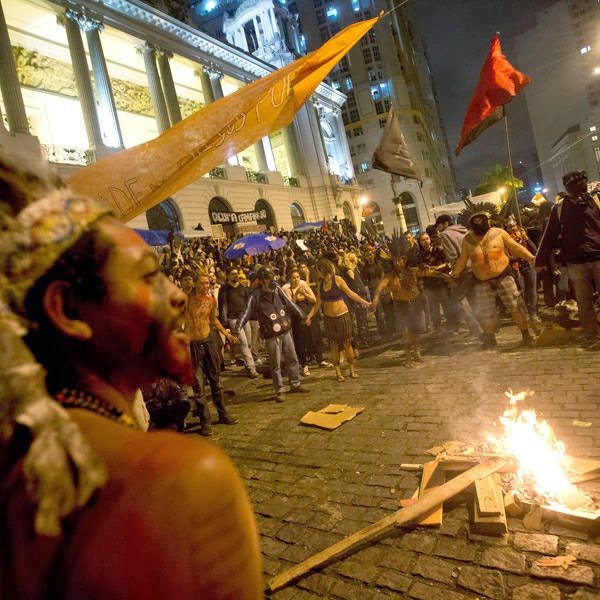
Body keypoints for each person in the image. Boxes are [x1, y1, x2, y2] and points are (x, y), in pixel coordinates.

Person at [0, 156, 263, 598]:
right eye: (149, 276)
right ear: (66, 311)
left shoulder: (16, 468)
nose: (178, 294)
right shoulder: (184, 481)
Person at [451, 212, 536, 349]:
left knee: (515, 307)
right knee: (486, 312)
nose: (478, 223)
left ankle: (526, 336)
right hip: (481, 280)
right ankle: (490, 340)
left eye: (481, 220)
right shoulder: (468, 240)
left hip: (503, 276)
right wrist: (455, 274)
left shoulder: (499, 233)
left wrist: (532, 258)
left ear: (487, 221)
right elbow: (462, 260)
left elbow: (515, 247)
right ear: (472, 224)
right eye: (475, 221)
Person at [536, 170, 600, 350]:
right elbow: (549, 235)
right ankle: (591, 334)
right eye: (574, 187)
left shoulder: (595, 201)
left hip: (598, 256)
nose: (579, 190)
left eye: (581, 186)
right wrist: (540, 260)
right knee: (584, 300)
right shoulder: (559, 208)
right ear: (568, 188)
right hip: (575, 262)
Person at [236, 266, 307, 402]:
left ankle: (295, 384)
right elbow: (246, 312)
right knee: (276, 364)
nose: (272, 280)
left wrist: (301, 315)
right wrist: (237, 328)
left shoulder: (277, 289)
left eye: (272, 277)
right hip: (271, 334)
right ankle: (279, 390)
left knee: (292, 358)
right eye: (268, 278)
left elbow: (289, 303)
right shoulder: (255, 295)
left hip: (285, 330)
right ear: (262, 280)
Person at [181, 270, 239, 436]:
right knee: (198, 385)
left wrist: (227, 334)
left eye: (207, 283)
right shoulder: (186, 299)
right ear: (196, 284)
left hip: (209, 341)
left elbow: (213, 320)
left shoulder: (211, 300)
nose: (205, 286)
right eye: (202, 283)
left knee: (215, 380)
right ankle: (205, 421)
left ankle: (223, 415)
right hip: (193, 344)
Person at [305, 258, 371, 382]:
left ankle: (352, 369)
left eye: (318, 270)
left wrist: (364, 302)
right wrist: (309, 316)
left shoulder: (338, 280)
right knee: (333, 345)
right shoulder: (320, 285)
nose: (317, 273)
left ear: (323, 269)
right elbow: (317, 304)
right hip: (329, 319)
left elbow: (351, 293)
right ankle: (338, 372)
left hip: (342, 316)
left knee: (347, 343)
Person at [218, 266, 259, 378]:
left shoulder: (243, 287)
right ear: (228, 276)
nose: (235, 276)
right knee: (244, 344)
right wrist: (225, 323)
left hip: (244, 319)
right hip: (233, 320)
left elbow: (248, 304)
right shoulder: (224, 289)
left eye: (236, 273)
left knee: (249, 343)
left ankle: (247, 364)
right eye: (232, 273)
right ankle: (252, 368)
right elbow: (222, 307)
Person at [282, 267, 316, 376]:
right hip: (296, 318)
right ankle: (303, 364)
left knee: (310, 338)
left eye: (298, 277)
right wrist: (296, 295)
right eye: (293, 278)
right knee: (299, 341)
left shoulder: (303, 285)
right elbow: (291, 305)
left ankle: (311, 358)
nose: (296, 279)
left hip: (307, 316)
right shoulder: (287, 289)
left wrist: (305, 294)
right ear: (290, 279)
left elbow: (314, 300)